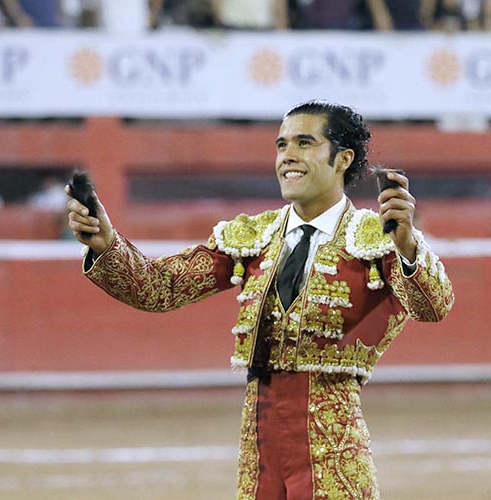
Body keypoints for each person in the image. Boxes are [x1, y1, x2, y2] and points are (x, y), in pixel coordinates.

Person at [66, 100, 455, 499]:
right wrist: (106, 244)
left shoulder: (377, 238)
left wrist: (408, 246)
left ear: (343, 159)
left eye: (304, 143)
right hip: (260, 457)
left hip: (333, 453)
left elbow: (434, 306)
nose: (288, 155)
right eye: (282, 144)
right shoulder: (254, 236)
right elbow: (160, 287)